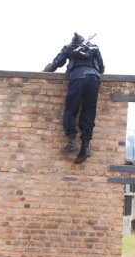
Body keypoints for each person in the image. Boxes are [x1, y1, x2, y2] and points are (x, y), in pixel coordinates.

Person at [43, 32, 105, 164]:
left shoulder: (68, 47)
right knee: (89, 112)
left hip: (78, 78)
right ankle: (85, 146)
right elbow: (101, 69)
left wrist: (44, 71)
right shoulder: (94, 48)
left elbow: (54, 65)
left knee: (71, 110)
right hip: (94, 79)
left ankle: (72, 143)